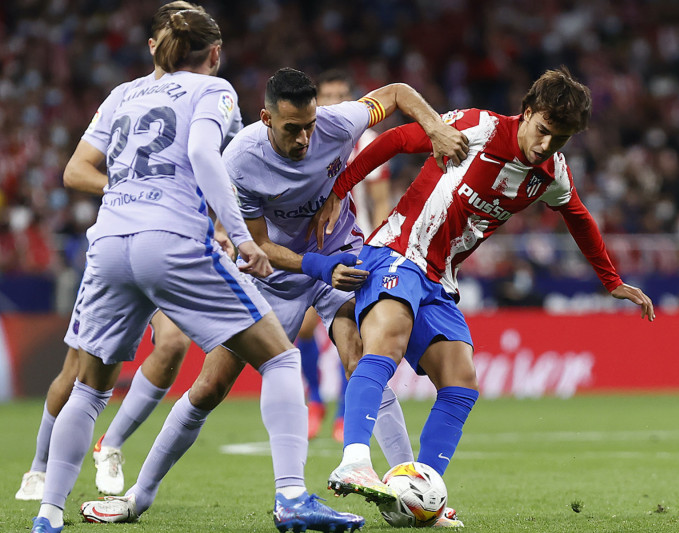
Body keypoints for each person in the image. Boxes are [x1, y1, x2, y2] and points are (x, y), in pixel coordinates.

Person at [77, 68, 469, 528]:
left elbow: (398, 93)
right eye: (291, 129)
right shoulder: (239, 160)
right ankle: (137, 498)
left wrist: (436, 125)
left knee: (361, 357)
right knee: (210, 387)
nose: (305, 138)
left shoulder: (338, 122)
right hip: (276, 275)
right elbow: (258, 245)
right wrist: (318, 266)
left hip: (342, 258)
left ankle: (412, 493)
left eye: (309, 126)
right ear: (265, 118)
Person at [30, 12, 364, 533]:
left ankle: (48, 514)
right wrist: (246, 239)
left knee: (90, 389)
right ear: (213, 52)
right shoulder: (213, 91)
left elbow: (79, 166)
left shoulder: (121, 94)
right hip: (171, 240)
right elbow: (202, 154)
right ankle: (292, 497)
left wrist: (127, 192)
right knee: (279, 356)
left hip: (110, 240)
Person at [315, 67, 656, 526]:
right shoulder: (479, 127)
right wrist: (339, 188)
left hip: (441, 278)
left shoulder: (550, 171)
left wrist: (610, 279)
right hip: (399, 251)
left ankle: (421, 496)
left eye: (561, 139)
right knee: (387, 343)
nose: (547, 146)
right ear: (528, 112)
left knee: (461, 383)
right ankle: (354, 459)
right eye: (543, 132)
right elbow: (397, 140)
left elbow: (577, 215)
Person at [15, 0, 242, 503]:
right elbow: (76, 171)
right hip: (123, 236)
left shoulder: (201, 95)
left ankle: (110, 444)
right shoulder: (125, 95)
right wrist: (131, 185)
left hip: (173, 239)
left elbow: (216, 168)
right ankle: (39, 466)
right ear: (154, 45)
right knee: (79, 372)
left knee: (173, 343)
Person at [299, 69, 394, 443]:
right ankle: (316, 398)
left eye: (343, 95)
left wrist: (381, 246)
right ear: (316, 101)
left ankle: (341, 413)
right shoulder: (305, 138)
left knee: (348, 332)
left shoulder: (368, 140)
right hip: (310, 247)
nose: (336, 102)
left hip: (356, 248)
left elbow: (381, 201)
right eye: (328, 96)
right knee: (305, 329)